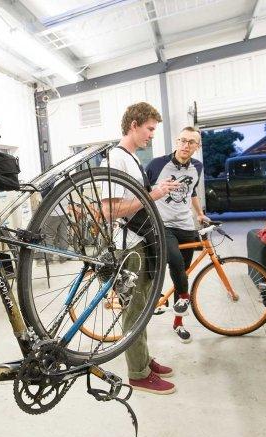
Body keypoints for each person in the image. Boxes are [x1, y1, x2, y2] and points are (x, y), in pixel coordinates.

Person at [101, 102, 179, 395]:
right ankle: (137, 373)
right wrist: (152, 195)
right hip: (128, 246)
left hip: (141, 241)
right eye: (149, 129)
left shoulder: (132, 158)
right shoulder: (115, 158)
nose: (151, 135)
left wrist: (153, 194)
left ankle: (143, 358)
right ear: (133, 124)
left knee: (144, 306)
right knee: (134, 310)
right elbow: (109, 211)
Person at [146, 127, 209, 343]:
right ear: (176, 141)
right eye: (182, 140)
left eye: (191, 142)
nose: (185, 145)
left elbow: (191, 193)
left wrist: (200, 214)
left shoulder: (197, 167)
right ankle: (183, 297)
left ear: (197, 146)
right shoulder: (157, 164)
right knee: (175, 263)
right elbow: (144, 192)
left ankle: (178, 323)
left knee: (181, 274)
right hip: (163, 224)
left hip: (186, 225)